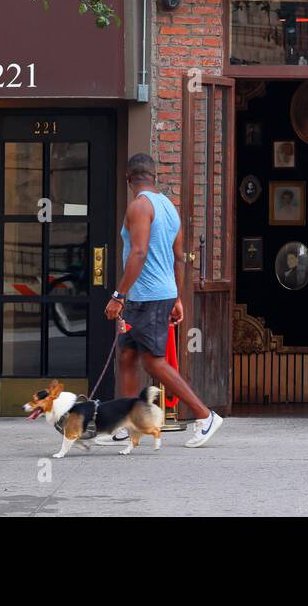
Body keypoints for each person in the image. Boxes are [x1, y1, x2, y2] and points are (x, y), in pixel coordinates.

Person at [101, 153, 223, 448]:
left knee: (154, 362)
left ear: (128, 178)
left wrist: (118, 295)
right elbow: (179, 257)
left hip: (146, 297)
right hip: (158, 294)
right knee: (127, 357)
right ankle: (128, 424)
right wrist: (177, 297)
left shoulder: (139, 206)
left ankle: (204, 415)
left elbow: (139, 253)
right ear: (153, 177)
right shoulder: (169, 207)